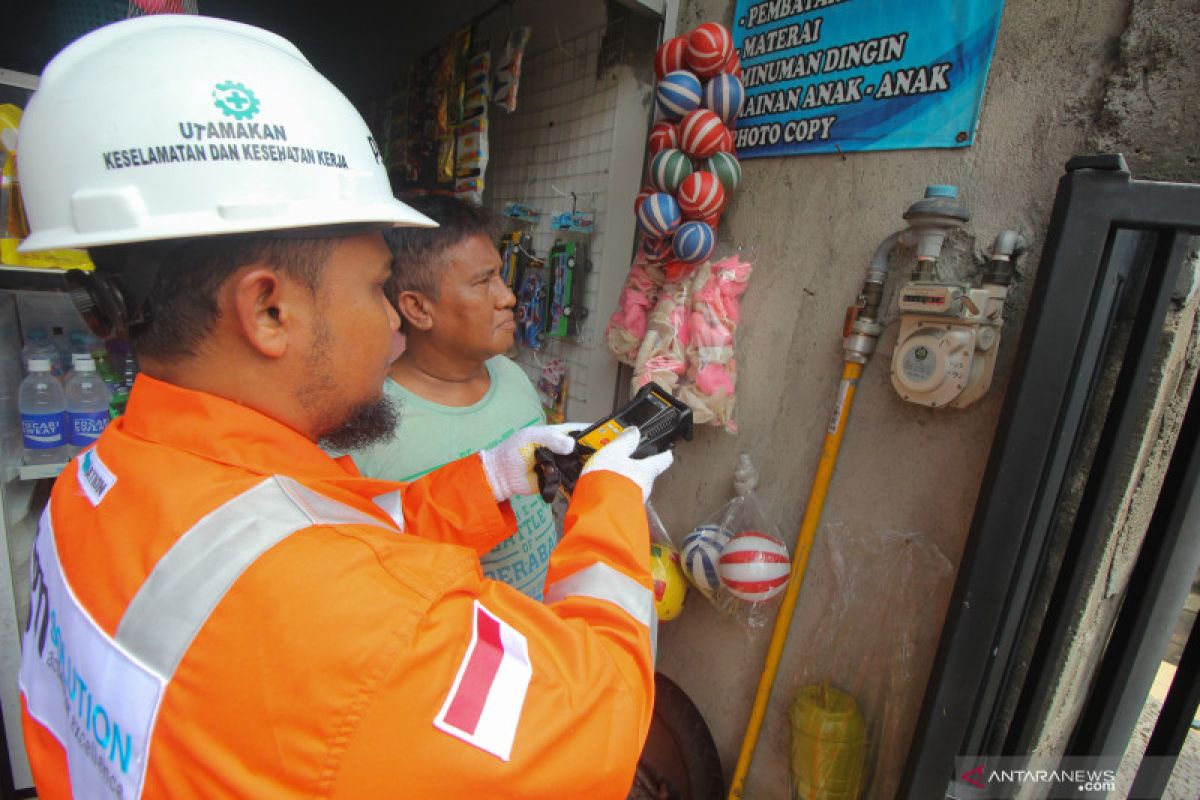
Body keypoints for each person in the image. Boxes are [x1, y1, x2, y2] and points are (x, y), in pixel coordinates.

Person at [16, 16, 672, 800]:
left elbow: (309, 535)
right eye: (375, 288)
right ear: (269, 312)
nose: (396, 321)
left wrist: (494, 478)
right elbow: (597, 724)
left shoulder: (98, 484)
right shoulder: (375, 635)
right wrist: (611, 503)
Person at [345, 194, 558, 600]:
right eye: (483, 282)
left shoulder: (512, 377)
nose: (508, 297)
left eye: (500, 276)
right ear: (418, 309)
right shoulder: (366, 432)